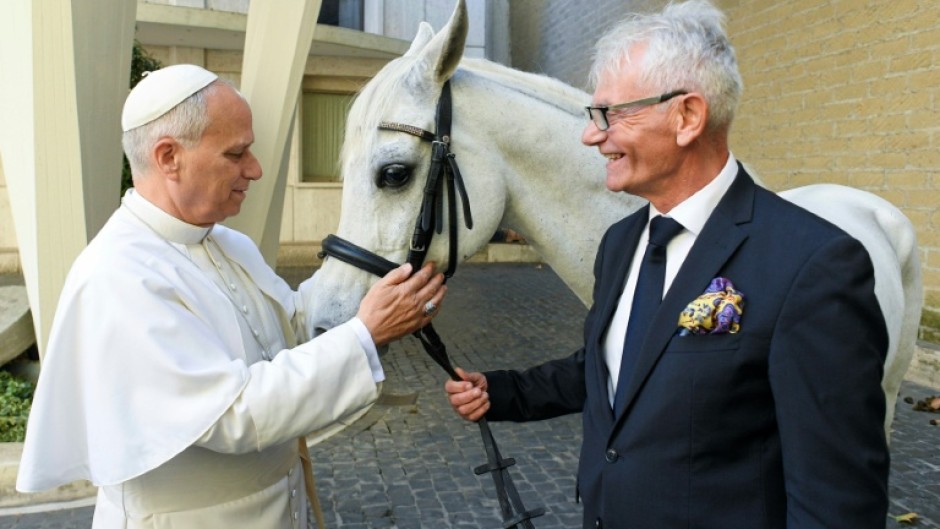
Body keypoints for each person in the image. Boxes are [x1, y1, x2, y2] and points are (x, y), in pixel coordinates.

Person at [445, 2, 890, 528]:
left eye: (612, 114)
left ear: (687, 117)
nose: (592, 135)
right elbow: (614, 369)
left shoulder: (814, 265)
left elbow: (835, 501)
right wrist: (503, 393)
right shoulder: (620, 243)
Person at [16, 64, 447, 528]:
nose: (255, 169)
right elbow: (232, 413)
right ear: (168, 157)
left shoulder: (228, 243)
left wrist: (370, 290)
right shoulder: (118, 275)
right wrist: (366, 332)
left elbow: (293, 328)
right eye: (236, 153)